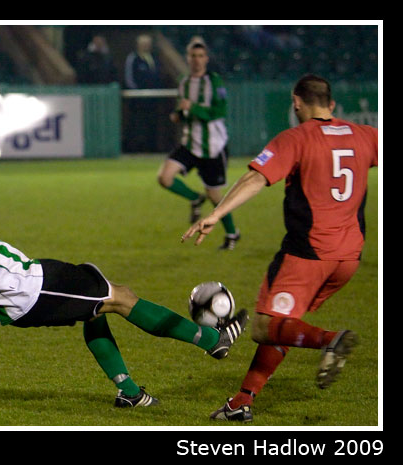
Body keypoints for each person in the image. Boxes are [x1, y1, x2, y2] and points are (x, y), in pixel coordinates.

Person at [0, 181, 249, 408]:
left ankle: (129, 392)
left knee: (95, 310)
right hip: (33, 293)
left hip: (36, 277)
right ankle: (212, 340)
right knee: (120, 298)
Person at [182, 74, 378, 422]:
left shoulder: (296, 138)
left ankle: (330, 340)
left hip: (308, 254)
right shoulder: (365, 135)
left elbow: (255, 177)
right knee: (284, 324)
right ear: (332, 104)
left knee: (264, 326)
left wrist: (217, 214)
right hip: (349, 258)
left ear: (296, 102)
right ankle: (242, 401)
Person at [158, 36, 240, 250]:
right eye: (193, 55)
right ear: (188, 58)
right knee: (164, 178)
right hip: (189, 143)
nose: (197, 59)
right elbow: (183, 109)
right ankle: (195, 198)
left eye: (201, 56)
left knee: (215, 196)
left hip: (213, 147)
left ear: (206, 58)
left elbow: (219, 112)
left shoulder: (214, 81)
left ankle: (232, 233)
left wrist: (192, 108)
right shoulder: (184, 82)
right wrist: (178, 115)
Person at [123, 33, 163, 153]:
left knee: (152, 124)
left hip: (152, 99)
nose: (146, 46)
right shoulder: (133, 58)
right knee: (138, 125)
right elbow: (129, 79)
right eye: (143, 44)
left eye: (148, 44)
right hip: (138, 100)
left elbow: (157, 76)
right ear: (138, 45)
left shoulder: (154, 58)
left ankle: (151, 148)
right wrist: (137, 93)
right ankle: (136, 148)